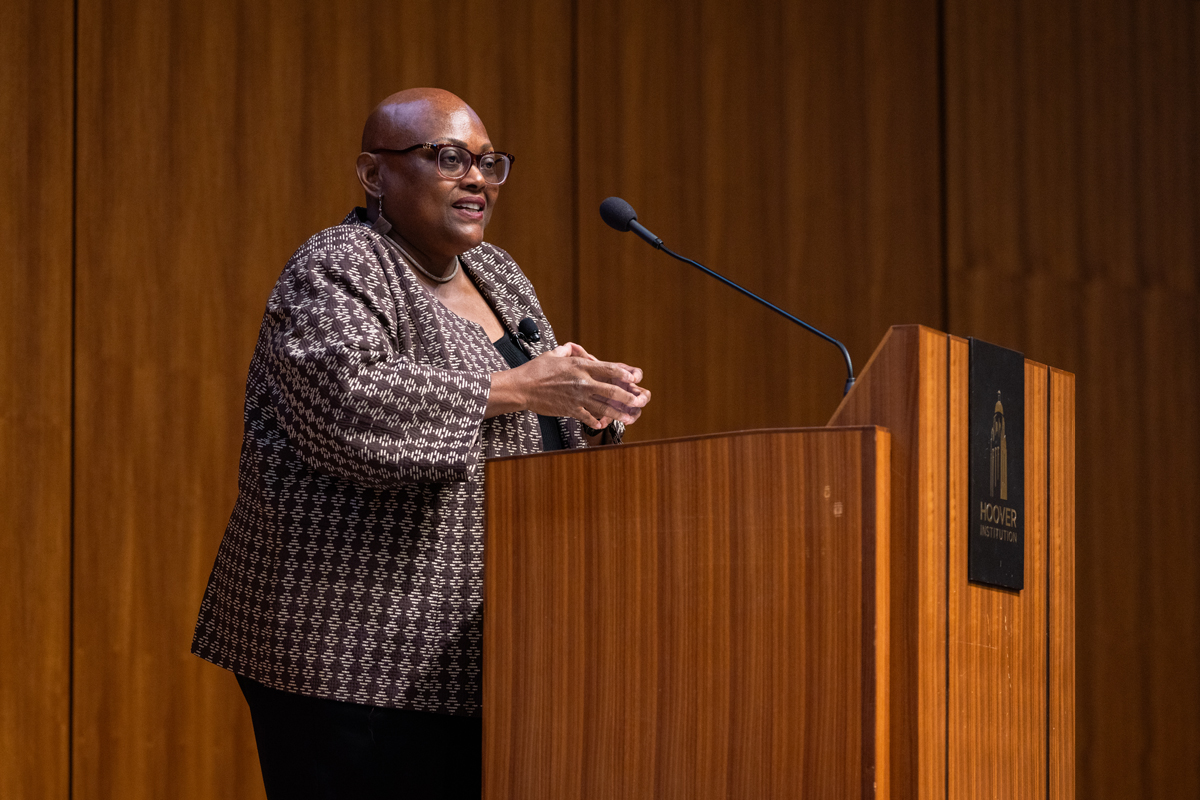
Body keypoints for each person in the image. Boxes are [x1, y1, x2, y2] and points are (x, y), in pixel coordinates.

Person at [191, 88, 650, 799]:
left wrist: (591, 405)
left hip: (475, 653)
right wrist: (525, 389)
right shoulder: (339, 267)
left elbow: (527, 412)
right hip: (348, 654)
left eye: (488, 162)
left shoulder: (499, 275)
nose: (476, 178)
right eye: (447, 158)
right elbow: (354, 416)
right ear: (375, 175)